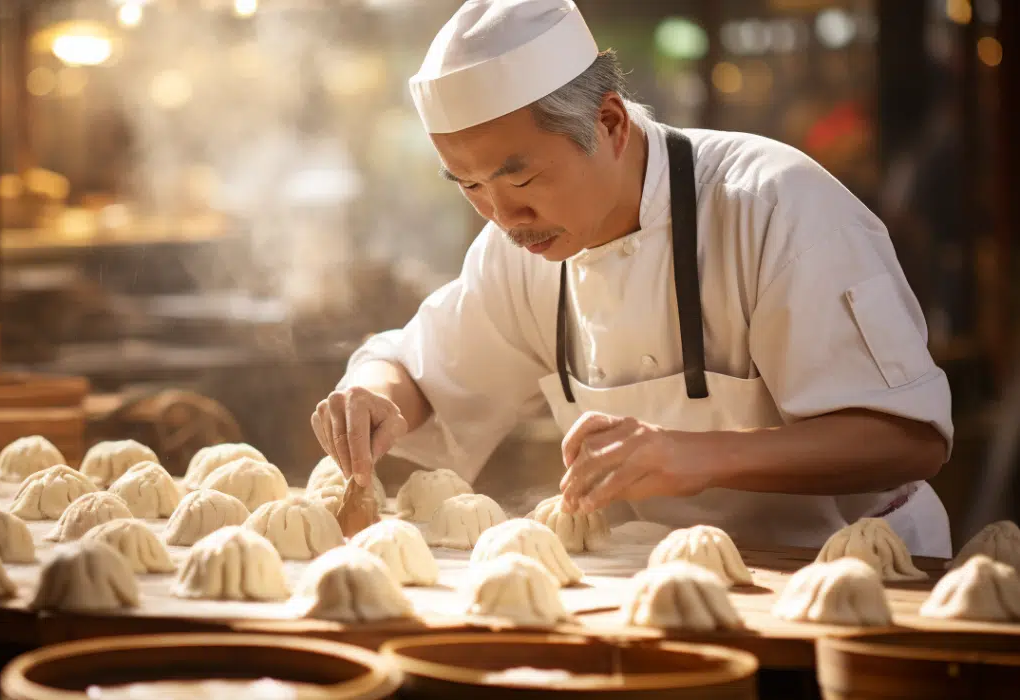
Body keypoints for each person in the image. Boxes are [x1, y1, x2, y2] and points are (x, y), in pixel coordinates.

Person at [310, 0, 954, 555]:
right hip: (659, 577)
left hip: (857, 574)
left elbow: (908, 438)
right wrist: (373, 393)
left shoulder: (773, 205)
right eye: (472, 187)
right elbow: (420, 374)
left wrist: (697, 456)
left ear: (610, 123)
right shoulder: (522, 251)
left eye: (522, 178)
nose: (504, 216)